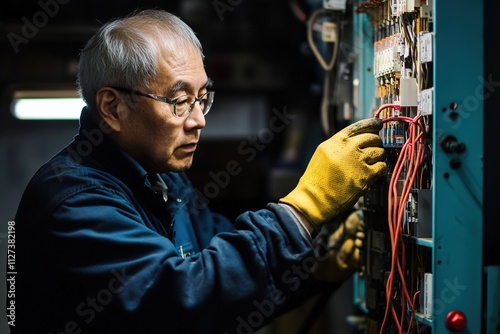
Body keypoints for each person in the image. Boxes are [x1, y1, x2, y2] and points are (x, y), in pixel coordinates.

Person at [9, 9, 387, 334]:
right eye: (178, 101)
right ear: (112, 107)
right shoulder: (73, 203)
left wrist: (318, 269)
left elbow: (228, 292)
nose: (199, 120)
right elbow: (185, 300)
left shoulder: (164, 179)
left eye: (202, 98)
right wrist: (306, 207)